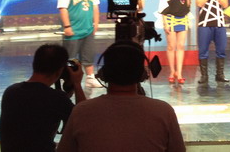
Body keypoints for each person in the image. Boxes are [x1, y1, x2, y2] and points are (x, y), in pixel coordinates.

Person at [57, 41, 186, 152]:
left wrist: (76, 85)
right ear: (142, 74)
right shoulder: (164, 111)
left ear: (103, 74)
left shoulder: (81, 111)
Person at [0, 44, 86, 152]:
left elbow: (39, 103)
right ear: (60, 71)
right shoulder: (57, 99)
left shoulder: (11, 92)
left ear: (34, 64)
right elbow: (84, 120)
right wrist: (76, 84)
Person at [58, 0, 102, 88]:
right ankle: (69, 80)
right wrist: (67, 26)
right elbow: (63, 8)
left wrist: (96, 23)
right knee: (70, 58)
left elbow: (95, 6)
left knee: (88, 54)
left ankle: (90, 78)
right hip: (73, 30)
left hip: (87, 28)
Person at [195, 0, 230, 84]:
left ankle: (220, 75)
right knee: (203, 50)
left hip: (219, 24)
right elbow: (199, 3)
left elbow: (225, 4)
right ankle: (204, 76)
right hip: (204, 24)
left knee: (221, 50)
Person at [158, 0, 190, 84]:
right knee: (171, 46)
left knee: (180, 46)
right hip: (170, 18)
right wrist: (165, 23)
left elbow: (187, 5)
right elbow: (163, 6)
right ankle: (172, 72)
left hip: (183, 18)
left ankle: (179, 73)